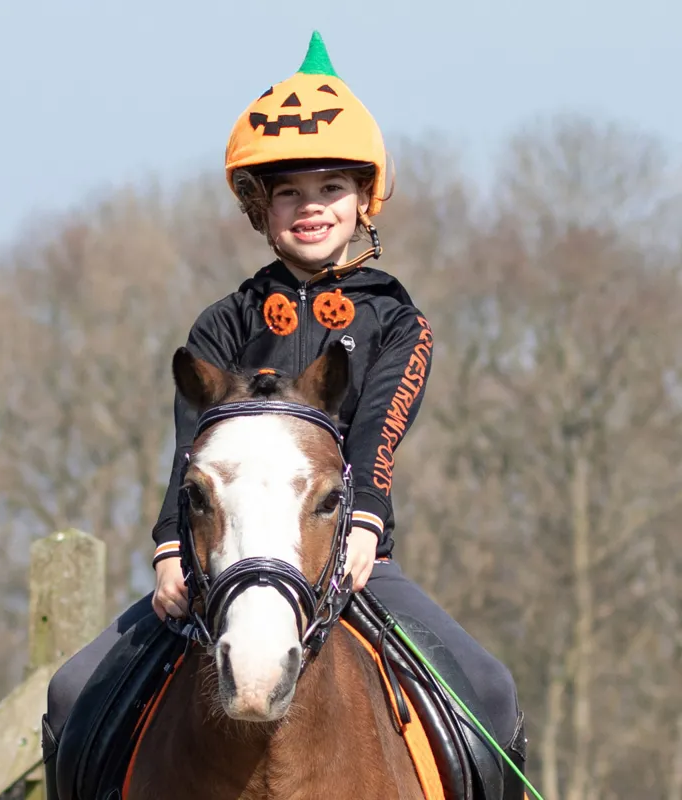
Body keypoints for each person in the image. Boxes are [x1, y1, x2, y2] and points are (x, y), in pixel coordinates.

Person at [44, 31, 526, 799]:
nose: (311, 209)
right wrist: (171, 545)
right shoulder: (222, 323)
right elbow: (189, 456)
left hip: (349, 560)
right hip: (219, 562)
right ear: (259, 208)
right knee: (72, 694)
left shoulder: (398, 322)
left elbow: (376, 439)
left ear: (363, 200)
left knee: (491, 695)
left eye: (330, 189)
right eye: (290, 193)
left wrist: (364, 519)